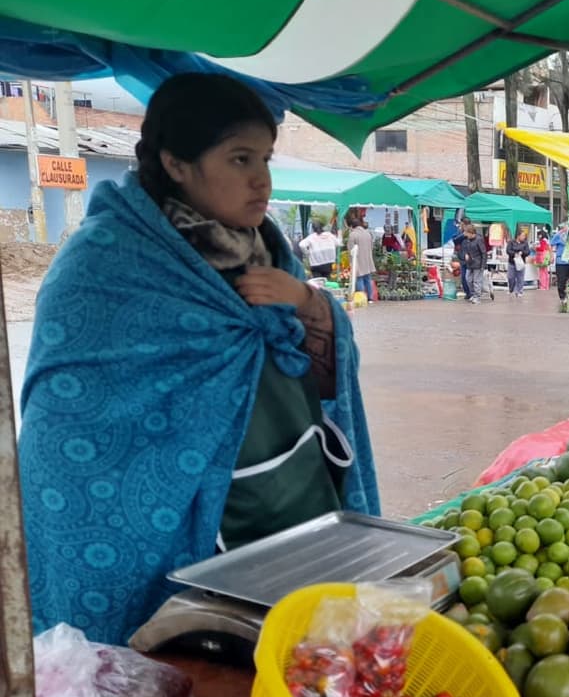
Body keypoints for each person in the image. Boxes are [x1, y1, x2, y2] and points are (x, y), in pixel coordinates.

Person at [19, 73, 379, 644]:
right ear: (177, 164)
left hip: (287, 499)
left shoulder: (268, 249)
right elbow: (68, 430)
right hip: (170, 526)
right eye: (240, 159)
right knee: (187, 667)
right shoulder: (105, 265)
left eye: (265, 159)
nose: (261, 180)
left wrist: (309, 303)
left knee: (302, 654)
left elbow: (315, 371)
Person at [346, 212, 376, 301]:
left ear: (352, 226)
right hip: (368, 259)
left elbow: (350, 250)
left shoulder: (353, 235)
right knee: (367, 278)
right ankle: (370, 298)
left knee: (359, 278)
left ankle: (362, 298)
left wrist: (351, 262)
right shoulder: (368, 233)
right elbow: (372, 246)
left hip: (358, 260)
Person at [461, 223, 488, 304]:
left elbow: (484, 253)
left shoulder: (479, 240)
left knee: (477, 281)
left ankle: (477, 297)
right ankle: (473, 294)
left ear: (471, 233)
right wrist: (466, 254)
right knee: (468, 279)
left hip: (478, 264)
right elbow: (465, 249)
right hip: (470, 263)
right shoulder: (467, 240)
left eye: (466, 233)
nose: (465, 234)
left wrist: (483, 265)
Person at [507, 228, 531, 298]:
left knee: (520, 277)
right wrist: (514, 254)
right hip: (512, 262)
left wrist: (522, 252)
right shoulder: (511, 242)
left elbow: (528, 252)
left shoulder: (525, 243)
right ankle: (511, 289)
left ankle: (519, 291)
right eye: (522, 235)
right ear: (518, 236)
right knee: (510, 277)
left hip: (521, 263)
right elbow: (508, 251)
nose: (524, 237)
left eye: (524, 236)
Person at [552, 223, 569, 301]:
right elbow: (551, 243)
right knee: (561, 279)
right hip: (560, 261)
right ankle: (562, 297)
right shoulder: (558, 235)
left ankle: (567, 295)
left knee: (567, 279)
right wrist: (551, 256)